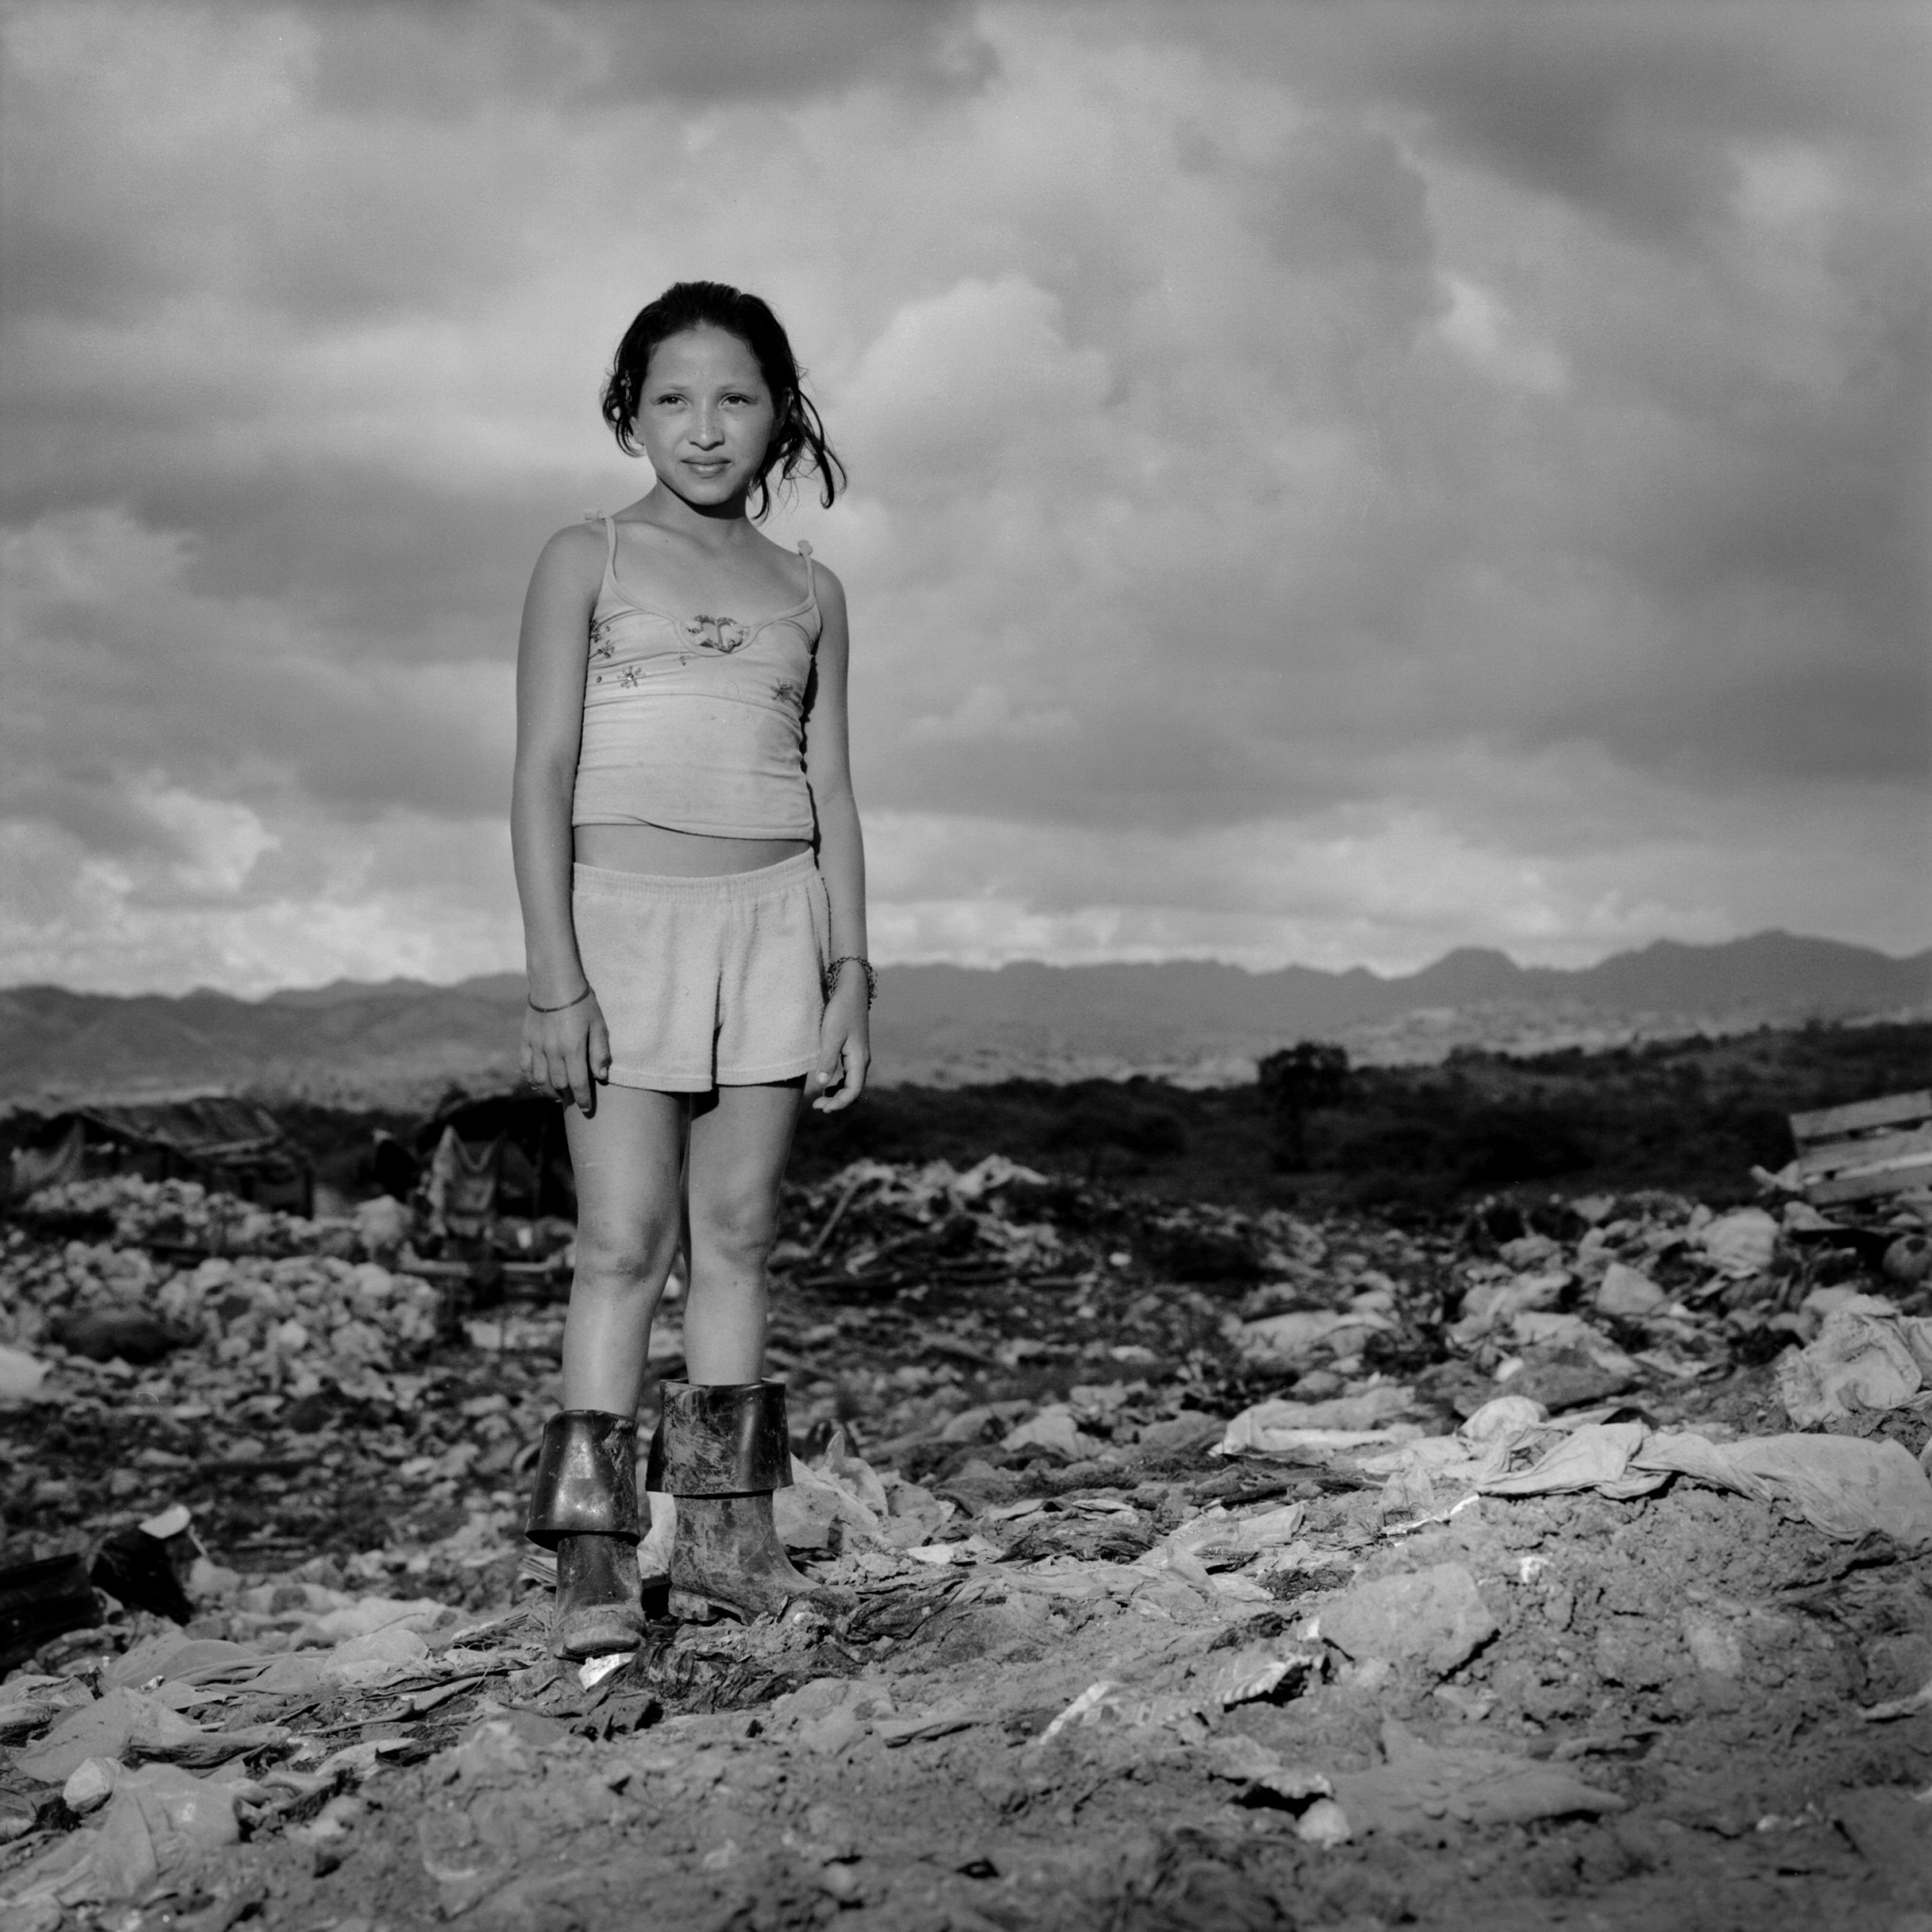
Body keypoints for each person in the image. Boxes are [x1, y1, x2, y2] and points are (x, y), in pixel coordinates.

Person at [512, 282, 870, 1657]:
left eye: (735, 398)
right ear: (631, 414)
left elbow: (833, 792)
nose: (705, 427)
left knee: (738, 1238)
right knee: (621, 1244)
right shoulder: (584, 558)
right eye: (673, 398)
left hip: (776, 924)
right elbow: (541, 773)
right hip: (619, 928)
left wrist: (850, 971)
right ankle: (592, 1559)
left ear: (781, 415)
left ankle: (728, 1541)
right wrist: (556, 978)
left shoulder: (812, 592)